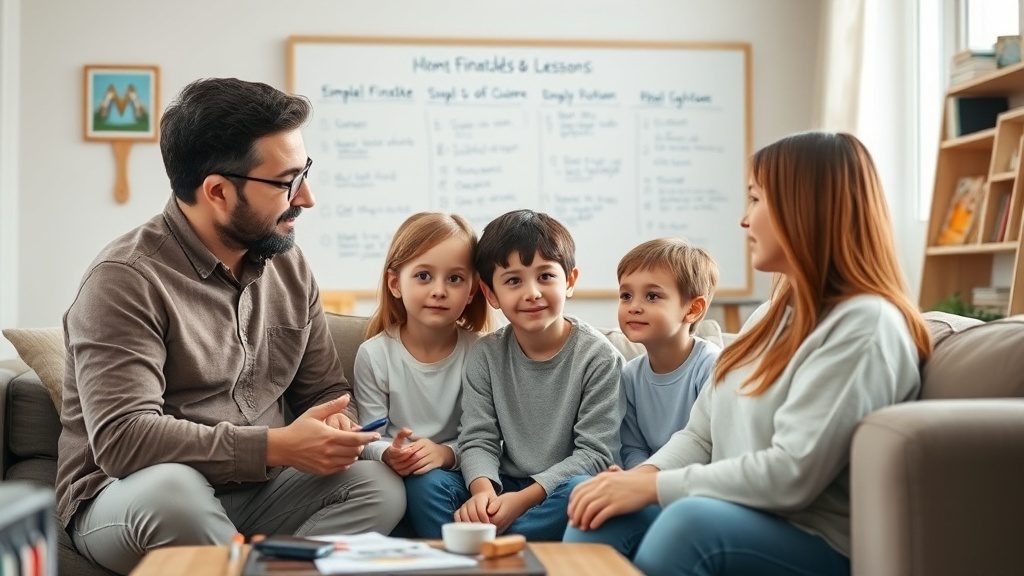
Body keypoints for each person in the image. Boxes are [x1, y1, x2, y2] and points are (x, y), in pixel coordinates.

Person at [56, 78, 405, 575]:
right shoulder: (124, 280)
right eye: (287, 181)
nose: (307, 197)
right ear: (218, 191)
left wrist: (344, 431)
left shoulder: (288, 263)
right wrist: (276, 446)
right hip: (129, 497)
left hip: (257, 492)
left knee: (379, 486)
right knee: (174, 492)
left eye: (304, 172)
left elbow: (322, 391)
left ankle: (253, 567)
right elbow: (123, 440)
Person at [564, 131, 933, 576]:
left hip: (811, 537)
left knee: (687, 524)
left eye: (756, 200)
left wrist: (657, 487)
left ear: (804, 210)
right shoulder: (767, 319)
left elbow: (791, 474)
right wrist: (634, 480)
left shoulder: (865, 326)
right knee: (592, 506)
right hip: (736, 509)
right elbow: (701, 436)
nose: (744, 220)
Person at [402, 209, 624, 540]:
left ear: (571, 282)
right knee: (426, 483)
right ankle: (479, 547)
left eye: (546, 276)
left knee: (582, 491)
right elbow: (478, 437)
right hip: (503, 483)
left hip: (555, 490)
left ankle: (486, 546)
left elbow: (594, 455)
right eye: (513, 281)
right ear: (491, 294)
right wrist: (481, 493)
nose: (532, 292)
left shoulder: (599, 357)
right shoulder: (486, 354)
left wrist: (521, 502)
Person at [353, 212, 489, 528]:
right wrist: (389, 454)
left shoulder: (482, 352)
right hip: (392, 481)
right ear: (395, 283)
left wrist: (444, 454)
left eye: (455, 279)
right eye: (424, 276)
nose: (439, 290)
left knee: (426, 484)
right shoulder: (375, 355)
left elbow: (489, 438)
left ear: (472, 291)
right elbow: (367, 437)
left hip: (455, 480)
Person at [616, 238, 722, 469]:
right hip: (646, 484)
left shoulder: (712, 366)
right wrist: (636, 482)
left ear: (693, 309)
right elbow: (632, 447)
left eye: (652, 296)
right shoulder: (629, 375)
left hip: (694, 485)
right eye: (626, 296)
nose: (634, 306)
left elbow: (711, 446)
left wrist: (651, 482)